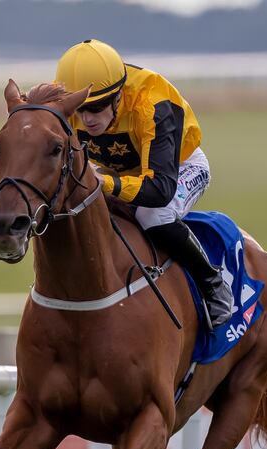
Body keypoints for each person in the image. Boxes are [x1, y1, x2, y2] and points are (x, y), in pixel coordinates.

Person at [55, 39, 234, 328]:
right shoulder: (66, 101)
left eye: (98, 107)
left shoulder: (153, 103)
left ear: (117, 96)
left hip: (177, 169)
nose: (87, 119)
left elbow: (160, 190)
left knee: (153, 215)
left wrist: (106, 183)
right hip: (112, 170)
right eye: (80, 109)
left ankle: (212, 283)